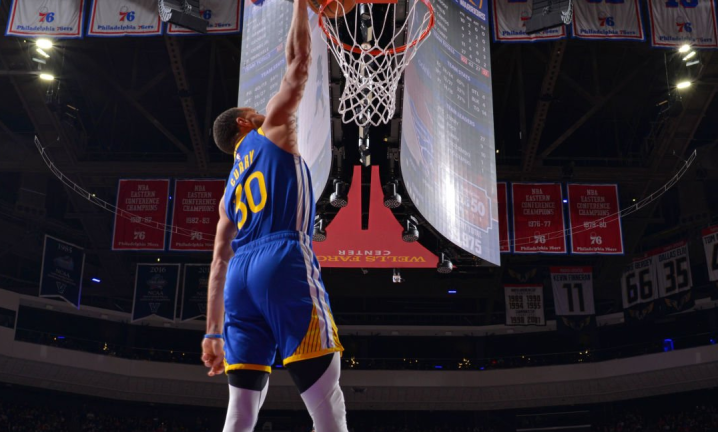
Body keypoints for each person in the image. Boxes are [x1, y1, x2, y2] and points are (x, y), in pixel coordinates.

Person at [200, 0, 348, 431]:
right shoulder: (272, 130)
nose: (263, 112)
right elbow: (298, 63)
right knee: (327, 401)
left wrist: (213, 333)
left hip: (238, 283)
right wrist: (302, 5)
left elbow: (218, 263)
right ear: (245, 123)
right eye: (256, 113)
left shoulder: (229, 192)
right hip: (281, 259)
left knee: (240, 413)